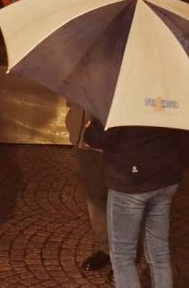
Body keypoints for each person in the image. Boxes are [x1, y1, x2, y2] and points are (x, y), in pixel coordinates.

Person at [82, 119, 189, 288]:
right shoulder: (174, 96)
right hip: (166, 180)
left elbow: (100, 138)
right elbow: (186, 139)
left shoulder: (123, 97)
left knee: (123, 256)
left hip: (129, 183)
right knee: (159, 251)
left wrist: (90, 129)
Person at [65, 104, 112, 280]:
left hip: (113, 132)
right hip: (82, 131)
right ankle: (105, 247)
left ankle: (123, 254)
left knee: (121, 197)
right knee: (94, 195)